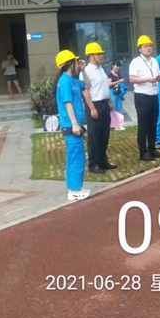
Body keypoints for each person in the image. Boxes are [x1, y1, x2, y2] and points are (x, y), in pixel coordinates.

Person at [53, 50, 90, 202]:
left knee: (74, 157)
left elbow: (88, 84)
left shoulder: (72, 80)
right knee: (77, 158)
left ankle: (73, 188)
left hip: (74, 125)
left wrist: (83, 70)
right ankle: (75, 190)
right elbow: (68, 104)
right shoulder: (65, 82)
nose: (77, 63)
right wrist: (75, 124)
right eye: (75, 62)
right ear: (69, 64)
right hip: (71, 126)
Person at [79, 42, 116, 174]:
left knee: (104, 134)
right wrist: (92, 108)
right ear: (91, 56)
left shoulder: (101, 69)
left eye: (101, 54)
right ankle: (94, 163)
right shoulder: (86, 71)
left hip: (104, 103)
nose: (101, 56)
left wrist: (110, 101)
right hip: (94, 104)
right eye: (98, 54)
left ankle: (103, 159)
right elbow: (85, 91)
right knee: (95, 136)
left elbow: (104, 86)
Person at [129, 35, 160, 162]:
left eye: (150, 46)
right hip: (142, 97)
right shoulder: (135, 62)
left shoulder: (154, 61)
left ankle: (152, 149)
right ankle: (143, 152)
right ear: (140, 48)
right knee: (143, 125)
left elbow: (156, 75)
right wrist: (148, 79)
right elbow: (132, 79)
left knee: (153, 124)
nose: (148, 48)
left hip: (154, 95)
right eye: (145, 46)